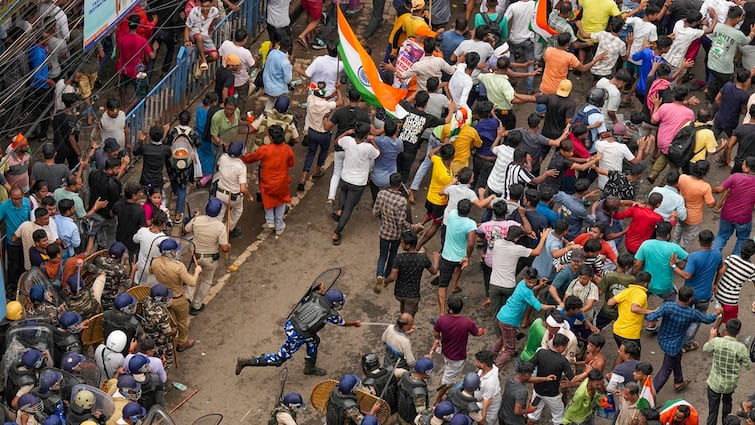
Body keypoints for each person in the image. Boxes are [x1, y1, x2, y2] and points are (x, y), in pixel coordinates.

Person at [236, 285, 361, 375]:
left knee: (314, 341)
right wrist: (354, 323)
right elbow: (343, 323)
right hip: (299, 334)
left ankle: (309, 367)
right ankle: (247, 362)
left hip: (291, 324)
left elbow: (310, 294)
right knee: (279, 359)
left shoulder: (314, 295)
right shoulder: (331, 314)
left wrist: (319, 288)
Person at [647, 286, 720, 393]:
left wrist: (656, 313)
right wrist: (716, 313)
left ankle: (679, 381)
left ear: (678, 296)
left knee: (677, 357)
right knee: (665, 371)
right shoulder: (692, 313)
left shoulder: (667, 306)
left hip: (662, 339)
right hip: (674, 345)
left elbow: (650, 318)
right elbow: (707, 319)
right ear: (690, 299)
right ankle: (649, 396)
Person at [492, 267, 555, 368]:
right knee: (510, 350)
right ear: (525, 278)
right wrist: (555, 306)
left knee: (502, 338)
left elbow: (529, 290)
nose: (531, 284)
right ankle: (495, 368)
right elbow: (539, 306)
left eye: (533, 282)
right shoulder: (527, 292)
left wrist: (538, 285)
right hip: (509, 321)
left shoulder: (522, 284)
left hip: (503, 315)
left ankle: (491, 358)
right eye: (529, 282)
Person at [331, 123, 380, 245]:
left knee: (343, 194)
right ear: (366, 135)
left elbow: (337, 142)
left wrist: (346, 132)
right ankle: (337, 232)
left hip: (345, 177)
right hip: (358, 183)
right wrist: (373, 141)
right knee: (349, 207)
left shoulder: (347, 141)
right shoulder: (368, 148)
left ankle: (339, 211)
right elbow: (378, 154)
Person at [150, 239, 202, 352]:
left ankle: (170, 337)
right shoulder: (178, 266)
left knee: (169, 319)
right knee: (182, 322)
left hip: (162, 297)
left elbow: (151, 271)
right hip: (178, 298)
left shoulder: (155, 262)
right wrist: (197, 271)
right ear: (171, 252)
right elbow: (192, 282)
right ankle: (183, 342)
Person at [242, 125, 295, 236]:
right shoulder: (287, 149)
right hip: (282, 181)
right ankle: (279, 225)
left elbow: (250, 158)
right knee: (281, 201)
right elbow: (291, 163)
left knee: (267, 199)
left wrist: (243, 153)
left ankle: (270, 220)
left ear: (270, 137)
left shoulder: (264, 149)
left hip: (267, 181)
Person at [430, 296, 484, 402]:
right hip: (458, 357)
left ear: (450, 309)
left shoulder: (442, 320)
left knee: (449, 370)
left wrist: (438, 339)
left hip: (446, 352)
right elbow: (477, 333)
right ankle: (438, 398)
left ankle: (447, 383)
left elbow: (436, 333)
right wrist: (482, 330)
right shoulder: (467, 322)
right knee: (446, 381)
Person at [183, 198, 230, 315]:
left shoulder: (197, 220)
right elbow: (224, 247)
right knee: (206, 281)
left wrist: (196, 218)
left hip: (195, 257)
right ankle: (196, 305)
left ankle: (187, 299)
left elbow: (186, 229)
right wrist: (228, 246)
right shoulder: (220, 226)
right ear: (219, 211)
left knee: (192, 277)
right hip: (210, 258)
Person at [703, 319, 751, 425]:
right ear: (738, 332)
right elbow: (748, 366)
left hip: (714, 383)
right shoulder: (741, 348)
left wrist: (712, 336)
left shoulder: (716, 341)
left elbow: (705, 349)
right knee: (727, 405)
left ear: (725, 329)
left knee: (712, 411)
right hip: (729, 385)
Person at [373, 173, 415, 292]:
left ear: (389, 183)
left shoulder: (381, 194)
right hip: (396, 234)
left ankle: (379, 275)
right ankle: (387, 276)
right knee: (392, 255)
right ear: (400, 184)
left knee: (382, 255)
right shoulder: (402, 201)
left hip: (384, 231)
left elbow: (375, 212)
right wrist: (410, 227)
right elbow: (401, 221)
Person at [383, 230, 440, 316]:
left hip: (399, 293)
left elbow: (392, 277)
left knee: (403, 313)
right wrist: (436, 260)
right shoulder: (422, 259)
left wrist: (386, 282)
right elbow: (434, 271)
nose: (401, 244)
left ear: (408, 245)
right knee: (408, 319)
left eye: (402, 243)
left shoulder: (399, 258)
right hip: (412, 295)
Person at [635, 221, 689, 304]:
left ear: (656, 232)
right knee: (672, 301)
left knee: (641, 300)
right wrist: (679, 265)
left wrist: (632, 276)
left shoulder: (646, 244)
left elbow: (637, 264)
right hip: (665, 286)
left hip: (647, 284)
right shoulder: (674, 247)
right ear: (668, 235)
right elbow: (689, 259)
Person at [527, 333, 576, 425]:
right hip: (552, 395)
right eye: (565, 346)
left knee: (532, 415)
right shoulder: (563, 361)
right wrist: (586, 373)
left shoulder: (541, 352)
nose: (565, 348)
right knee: (558, 417)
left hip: (537, 391)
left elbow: (529, 366)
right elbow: (572, 379)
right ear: (561, 347)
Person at [712, 157, 755, 254]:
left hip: (727, 214)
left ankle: (713, 257)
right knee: (742, 239)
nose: (742, 166)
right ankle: (733, 262)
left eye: (743, 164)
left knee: (722, 236)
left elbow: (719, 190)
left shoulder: (735, 177)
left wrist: (708, 189)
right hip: (744, 218)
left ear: (747, 168)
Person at [607, 271, 654, 355]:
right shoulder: (641, 294)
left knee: (622, 355)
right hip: (630, 334)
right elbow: (634, 308)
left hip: (617, 330)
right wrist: (651, 311)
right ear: (646, 284)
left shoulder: (627, 291)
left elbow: (610, 302)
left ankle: (616, 368)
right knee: (633, 359)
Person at [713, 239, 755, 327]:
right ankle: (721, 335)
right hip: (731, 300)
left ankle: (715, 329)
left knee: (721, 315)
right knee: (731, 324)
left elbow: (721, 272)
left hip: (719, 294)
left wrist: (716, 284)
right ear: (752, 253)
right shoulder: (751, 268)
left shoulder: (732, 258)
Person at [216, 141, 253, 238]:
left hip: (220, 192)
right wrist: (249, 196)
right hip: (233, 196)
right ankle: (229, 229)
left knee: (219, 212)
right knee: (237, 210)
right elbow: (243, 189)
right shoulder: (241, 167)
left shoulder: (223, 157)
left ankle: (215, 230)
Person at [184, 0, 219, 77]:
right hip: (194, 32)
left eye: (207, 6)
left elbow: (215, 19)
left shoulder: (214, 11)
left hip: (205, 34)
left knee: (215, 56)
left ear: (211, 4)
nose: (205, 9)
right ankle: (203, 59)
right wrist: (187, 40)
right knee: (199, 37)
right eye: (203, 6)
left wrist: (210, 30)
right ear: (200, 4)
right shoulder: (194, 12)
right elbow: (187, 28)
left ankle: (201, 61)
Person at [395, 358, 434, 425]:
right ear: (426, 372)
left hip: (400, 411)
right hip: (409, 420)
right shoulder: (419, 393)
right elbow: (420, 414)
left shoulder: (406, 376)